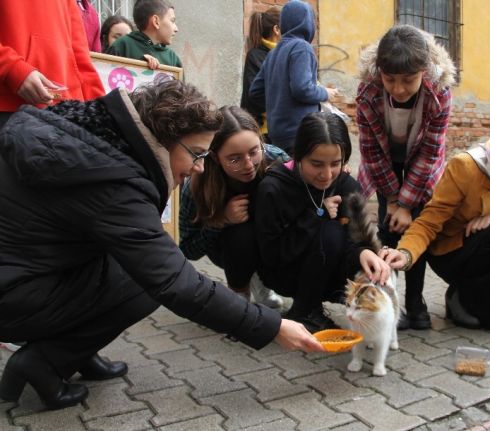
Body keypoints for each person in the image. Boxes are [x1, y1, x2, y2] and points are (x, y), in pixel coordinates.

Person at [0, 80, 324, 411]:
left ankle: (75, 351)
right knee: (144, 281)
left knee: (132, 265)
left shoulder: (94, 132)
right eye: (197, 154)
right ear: (165, 140)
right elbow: (176, 282)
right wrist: (271, 326)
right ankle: (44, 362)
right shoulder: (113, 183)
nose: (199, 166)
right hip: (13, 294)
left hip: (28, 271)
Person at [380, 112, 490, 338]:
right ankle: (463, 299)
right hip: (452, 252)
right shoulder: (467, 167)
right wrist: (405, 254)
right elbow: (429, 220)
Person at [356, 24, 455, 330]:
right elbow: (371, 151)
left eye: (408, 81)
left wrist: (409, 205)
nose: (398, 89)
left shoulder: (439, 93)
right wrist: (395, 201)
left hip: (422, 167)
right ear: (379, 72)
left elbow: (429, 154)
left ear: (424, 72)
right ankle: (389, 303)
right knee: (388, 227)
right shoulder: (368, 92)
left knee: (414, 228)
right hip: (385, 162)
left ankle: (416, 303)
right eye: (390, 80)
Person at [255, 111, 391, 333]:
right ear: (299, 156)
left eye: (335, 163)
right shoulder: (273, 188)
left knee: (364, 254)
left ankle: (322, 308)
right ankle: (304, 310)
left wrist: (363, 253)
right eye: (316, 164)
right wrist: (316, 215)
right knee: (330, 229)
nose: (327, 175)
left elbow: (355, 239)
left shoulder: (348, 187)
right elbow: (272, 254)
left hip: (330, 275)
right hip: (283, 272)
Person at [179, 105, 286, 309]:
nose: (248, 165)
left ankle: (265, 280)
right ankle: (239, 294)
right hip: (230, 248)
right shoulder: (197, 183)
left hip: (272, 240)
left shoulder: (277, 160)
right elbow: (188, 250)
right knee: (241, 232)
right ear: (215, 157)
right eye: (234, 159)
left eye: (254, 152)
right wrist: (221, 221)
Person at [249, 0, 338, 154]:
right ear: (307, 23)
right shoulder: (302, 47)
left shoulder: (273, 53)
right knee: (303, 176)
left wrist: (278, 103)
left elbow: (255, 92)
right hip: (300, 133)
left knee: (285, 176)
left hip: (277, 133)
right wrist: (325, 93)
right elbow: (302, 89)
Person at [0, 0, 104, 129]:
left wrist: (100, 110)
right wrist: (11, 68)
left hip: (67, 112)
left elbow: (79, 56)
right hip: (9, 106)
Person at [240, 6, 281, 140]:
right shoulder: (256, 56)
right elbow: (255, 98)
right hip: (266, 132)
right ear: (276, 29)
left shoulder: (285, 54)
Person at [106, 0, 181, 70]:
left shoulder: (172, 58)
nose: (176, 29)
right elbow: (105, 77)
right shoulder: (122, 46)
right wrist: (139, 65)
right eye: (172, 21)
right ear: (156, 21)